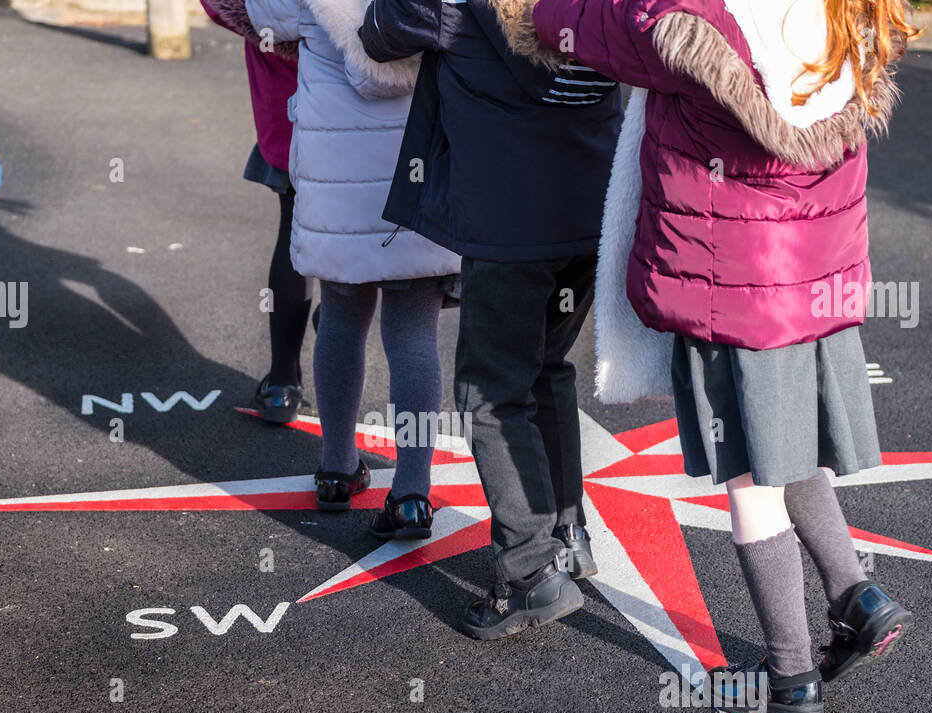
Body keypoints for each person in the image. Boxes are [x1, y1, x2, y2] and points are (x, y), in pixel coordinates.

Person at [531, 0, 919, 713]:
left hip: (730, 283)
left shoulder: (693, 20)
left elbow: (585, 26)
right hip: (810, 279)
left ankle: (791, 678)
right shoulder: (840, 11)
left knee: (747, 478)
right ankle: (856, 595)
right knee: (781, 442)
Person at [359, 0, 621, 639]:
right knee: (547, 370)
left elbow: (380, 33)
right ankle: (567, 530)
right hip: (594, 199)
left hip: (508, 216)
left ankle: (530, 574)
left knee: (491, 394)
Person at [245, 0, 461, 536]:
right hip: (415, 162)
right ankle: (412, 493)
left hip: (335, 165)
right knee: (414, 333)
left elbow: (263, 19)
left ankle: (337, 470)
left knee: (341, 320)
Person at [200, 0, 316, 423]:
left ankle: (283, 380)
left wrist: (263, 23)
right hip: (370, 84)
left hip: (290, 101)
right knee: (376, 222)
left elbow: (219, 5)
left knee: (294, 229)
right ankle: (341, 321)